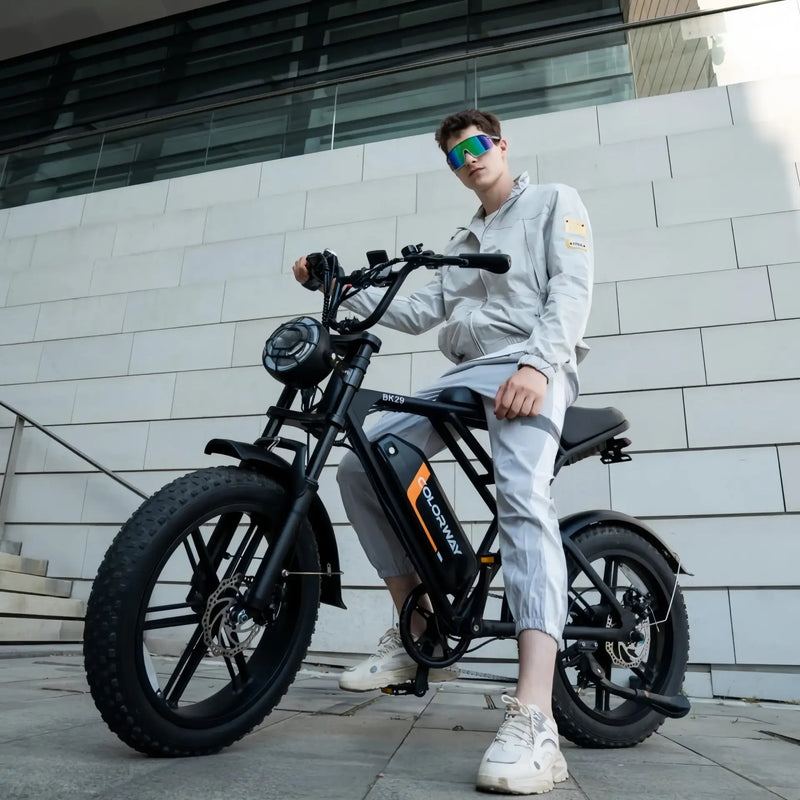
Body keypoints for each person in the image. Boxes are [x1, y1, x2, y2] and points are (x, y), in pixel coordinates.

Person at [292, 109, 593, 795]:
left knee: (522, 498)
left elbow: (572, 288)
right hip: (469, 371)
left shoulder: (553, 201)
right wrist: (337, 286)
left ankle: (536, 718)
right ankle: (419, 629)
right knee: (363, 463)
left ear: (502, 146)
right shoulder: (462, 241)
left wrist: (539, 365)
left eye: (477, 146)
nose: (469, 159)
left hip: (533, 363)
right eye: (456, 155)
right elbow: (416, 309)